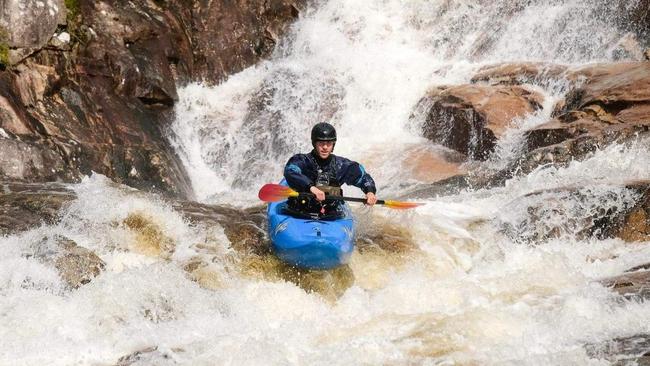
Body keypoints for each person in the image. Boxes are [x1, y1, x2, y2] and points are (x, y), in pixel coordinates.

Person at [283, 122, 377, 219]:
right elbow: (290, 171)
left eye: (329, 143)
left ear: (333, 145)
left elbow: (364, 177)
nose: (325, 147)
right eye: (321, 143)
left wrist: (369, 192)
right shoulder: (302, 160)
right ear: (314, 143)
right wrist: (311, 187)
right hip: (299, 211)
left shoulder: (341, 165)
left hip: (331, 215)